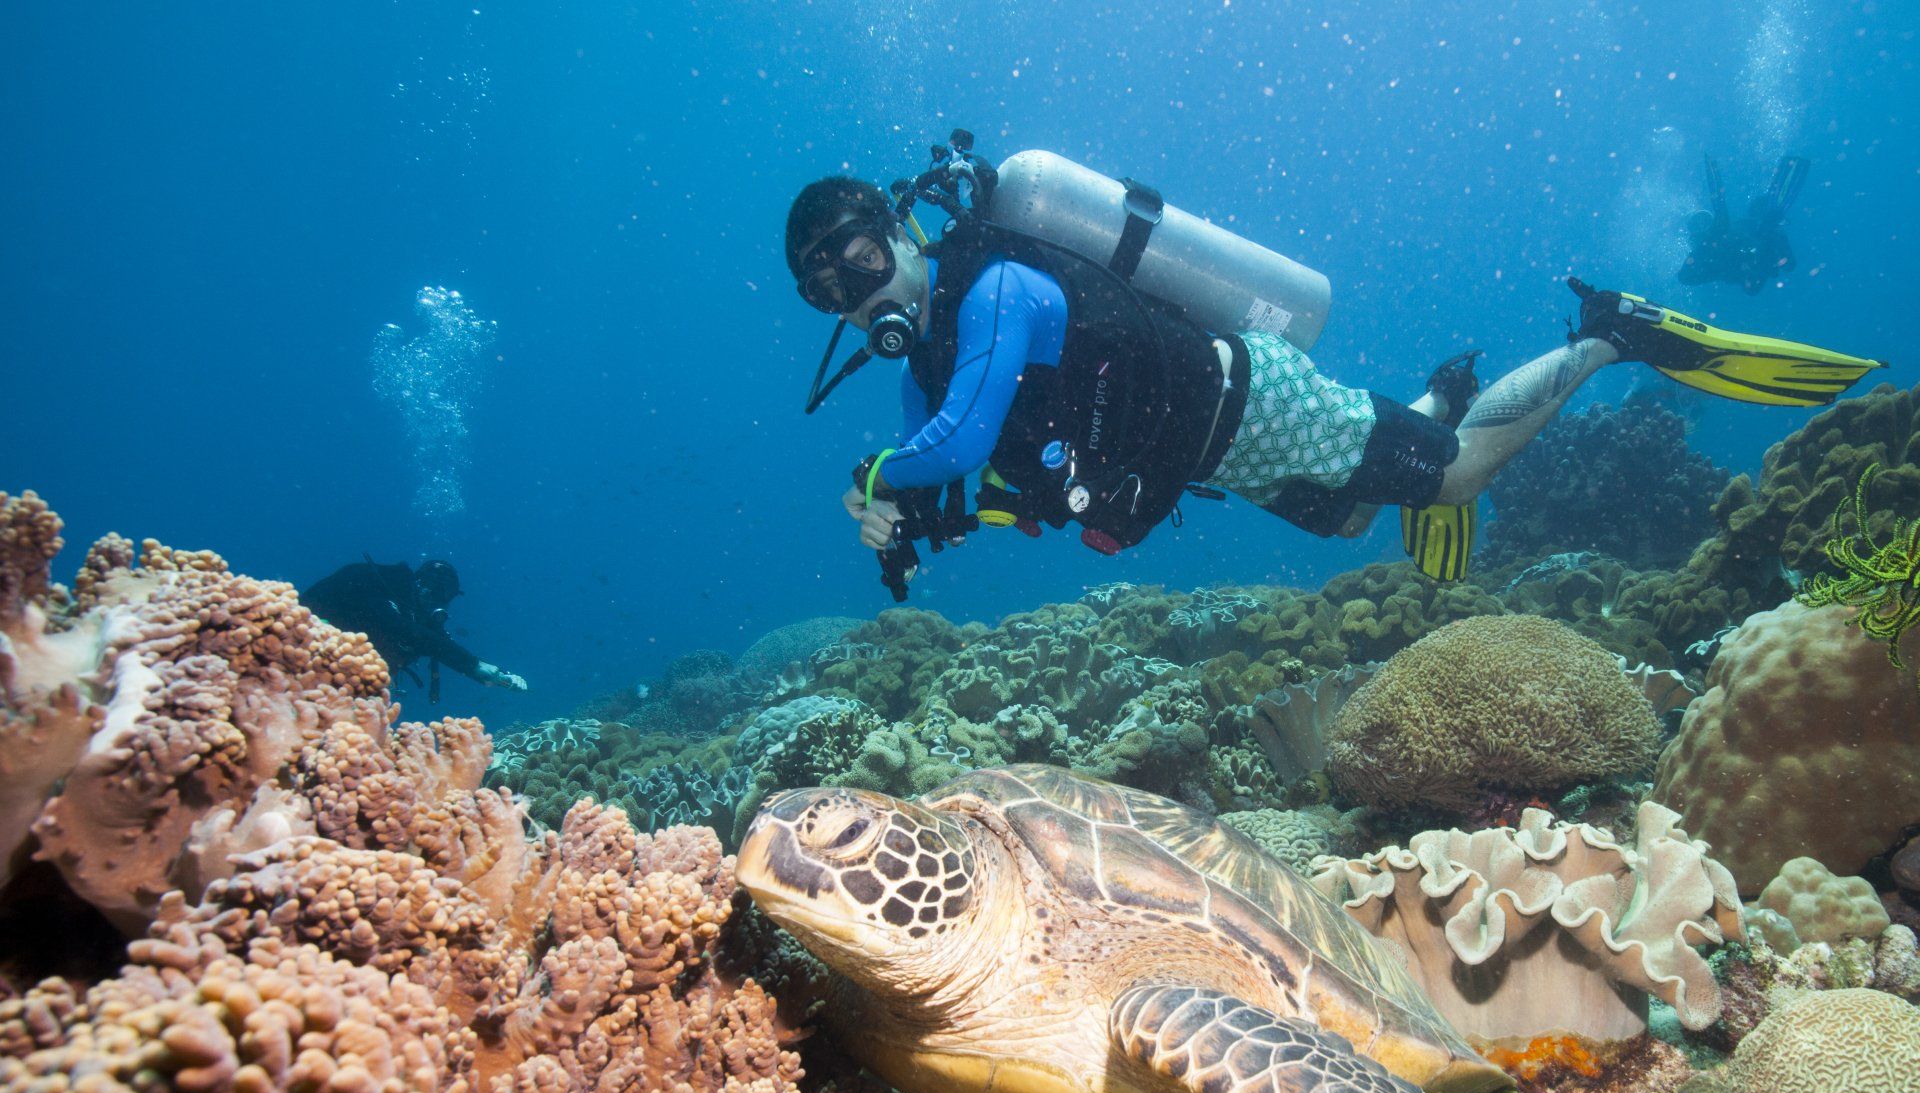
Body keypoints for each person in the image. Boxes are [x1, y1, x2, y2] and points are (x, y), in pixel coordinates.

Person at [785, 159, 1882, 587]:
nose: (857, 288)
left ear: (901, 227)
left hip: (1249, 404)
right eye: (828, 286)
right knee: (1358, 524)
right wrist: (913, 520)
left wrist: (882, 477)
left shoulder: (995, 288)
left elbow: (957, 444)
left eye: (861, 255)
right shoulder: (923, 368)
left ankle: (1609, 334)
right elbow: (979, 478)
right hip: (1204, 455)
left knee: (1449, 480)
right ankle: (1441, 394)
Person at [303, 557, 527, 700]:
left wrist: (497, 675)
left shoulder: (409, 610)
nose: (440, 602)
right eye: (439, 593)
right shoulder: (383, 587)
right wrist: (472, 665)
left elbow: (431, 640)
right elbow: (404, 629)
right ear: (421, 583)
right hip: (301, 648)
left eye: (446, 597)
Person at [1677, 155, 1807, 294]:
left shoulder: (1751, 230)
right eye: (1700, 226)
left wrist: (1772, 235)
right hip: (1733, 260)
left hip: (1745, 260)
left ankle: (1751, 252)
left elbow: (1788, 265)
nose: (1704, 227)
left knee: (1750, 241)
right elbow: (1685, 277)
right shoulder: (1721, 236)